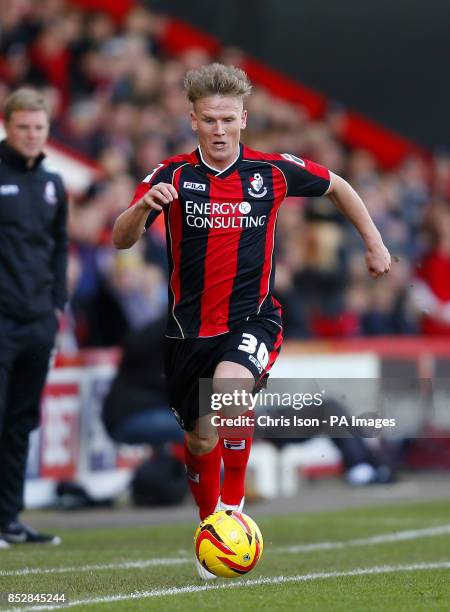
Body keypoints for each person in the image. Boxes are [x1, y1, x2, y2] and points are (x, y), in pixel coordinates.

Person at [112, 63, 391, 578]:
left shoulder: (272, 172)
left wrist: (374, 243)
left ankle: (235, 510)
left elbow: (340, 186)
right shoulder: (171, 176)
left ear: (244, 118)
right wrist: (141, 209)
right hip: (187, 332)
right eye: (209, 120)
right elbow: (120, 238)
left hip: (252, 318)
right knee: (199, 439)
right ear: (193, 121)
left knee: (231, 389)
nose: (219, 130)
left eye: (228, 119)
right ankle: (209, 529)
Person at [0, 88, 68, 547]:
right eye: (23, 126)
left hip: (38, 321)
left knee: (22, 420)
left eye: (38, 127)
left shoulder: (52, 184)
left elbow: (60, 247)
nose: (30, 135)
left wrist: (56, 305)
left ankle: (8, 518)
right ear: (8, 126)